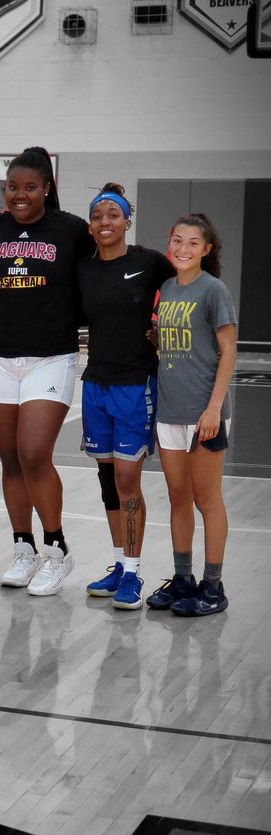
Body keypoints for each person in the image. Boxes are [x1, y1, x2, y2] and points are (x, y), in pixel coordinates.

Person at [0, 146, 93, 596]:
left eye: (29, 187)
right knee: (9, 458)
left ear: (47, 187)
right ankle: (23, 548)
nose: (19, 195)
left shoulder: (71, 231)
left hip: (51, 355)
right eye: (12, 187)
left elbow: (99, 276)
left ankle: (57, 550)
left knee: (33, 454)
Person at [77, 183, 174, 610]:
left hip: (136, 384)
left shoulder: (149, 262)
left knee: (128, 481)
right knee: (107, 482)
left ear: (126, 221)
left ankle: (134, 572)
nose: (104, 223)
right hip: (95, 382)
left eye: (112, 216)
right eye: (97, 217)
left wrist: (163, 327)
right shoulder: (84, 269)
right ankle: (118, 563)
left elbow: (190, 283)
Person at [146, 213, 236, 616]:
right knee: (178, 498)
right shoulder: (165, 288)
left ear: (206, 250)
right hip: (170, 411)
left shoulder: (214, 290)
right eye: (177, 241)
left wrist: (214, 407)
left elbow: (228, 350)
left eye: (192, 243)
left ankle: (213, 586)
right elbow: (171, 343)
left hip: (205, 413)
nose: (183, 249)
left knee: (207, 499)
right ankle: (183, 579)